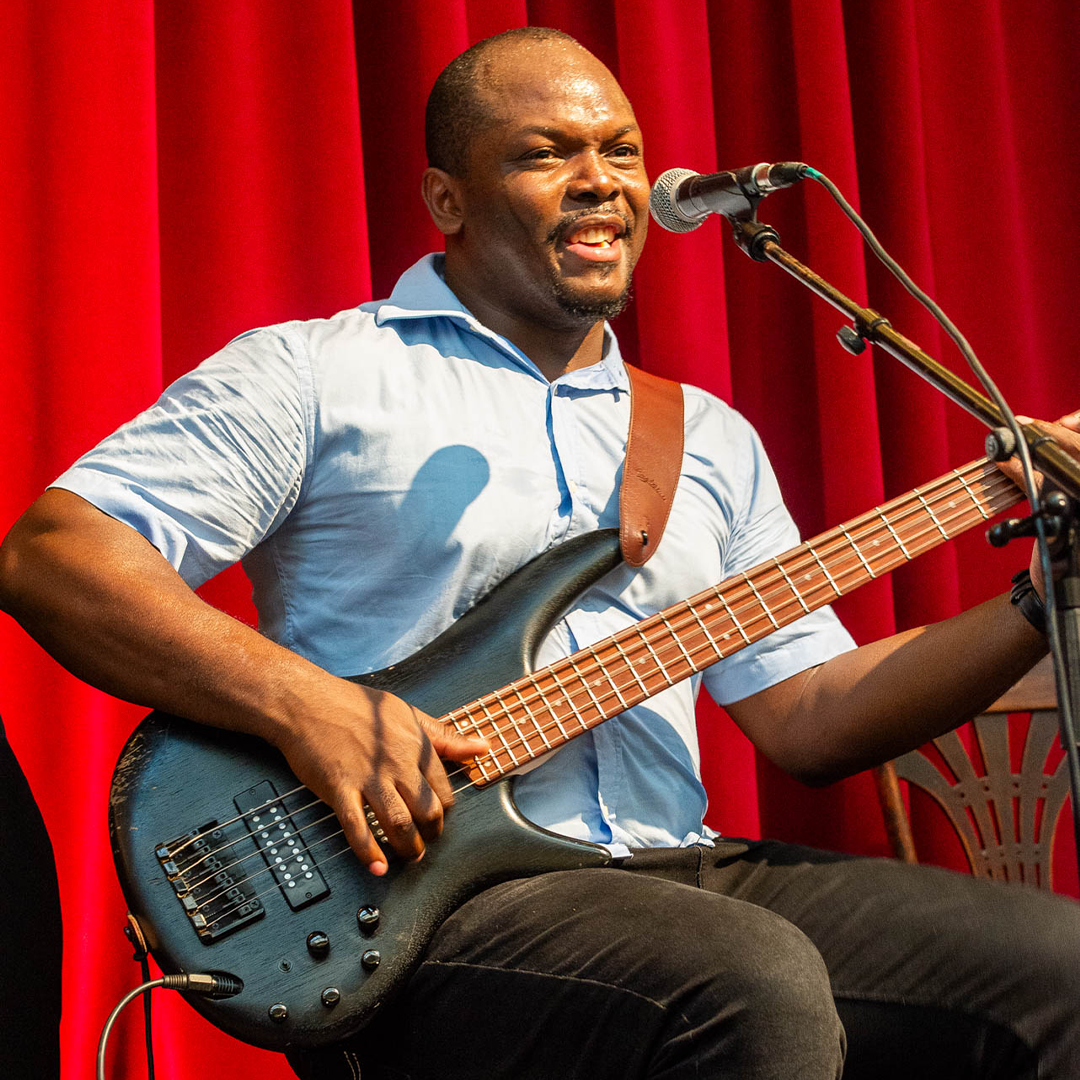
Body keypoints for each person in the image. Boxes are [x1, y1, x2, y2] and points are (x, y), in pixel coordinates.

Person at [1, 26, 1078, 1080]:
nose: (601, 180)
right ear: (448, 199)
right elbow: (56, 556)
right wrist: (309, 706)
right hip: (422, 904)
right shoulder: (318, 375)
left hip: (677, 868)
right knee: (746, 977)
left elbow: (813, 716)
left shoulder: (708, 437)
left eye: (622, 150)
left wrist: (1038, 598)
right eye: (547, 153)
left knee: (1057, 968)